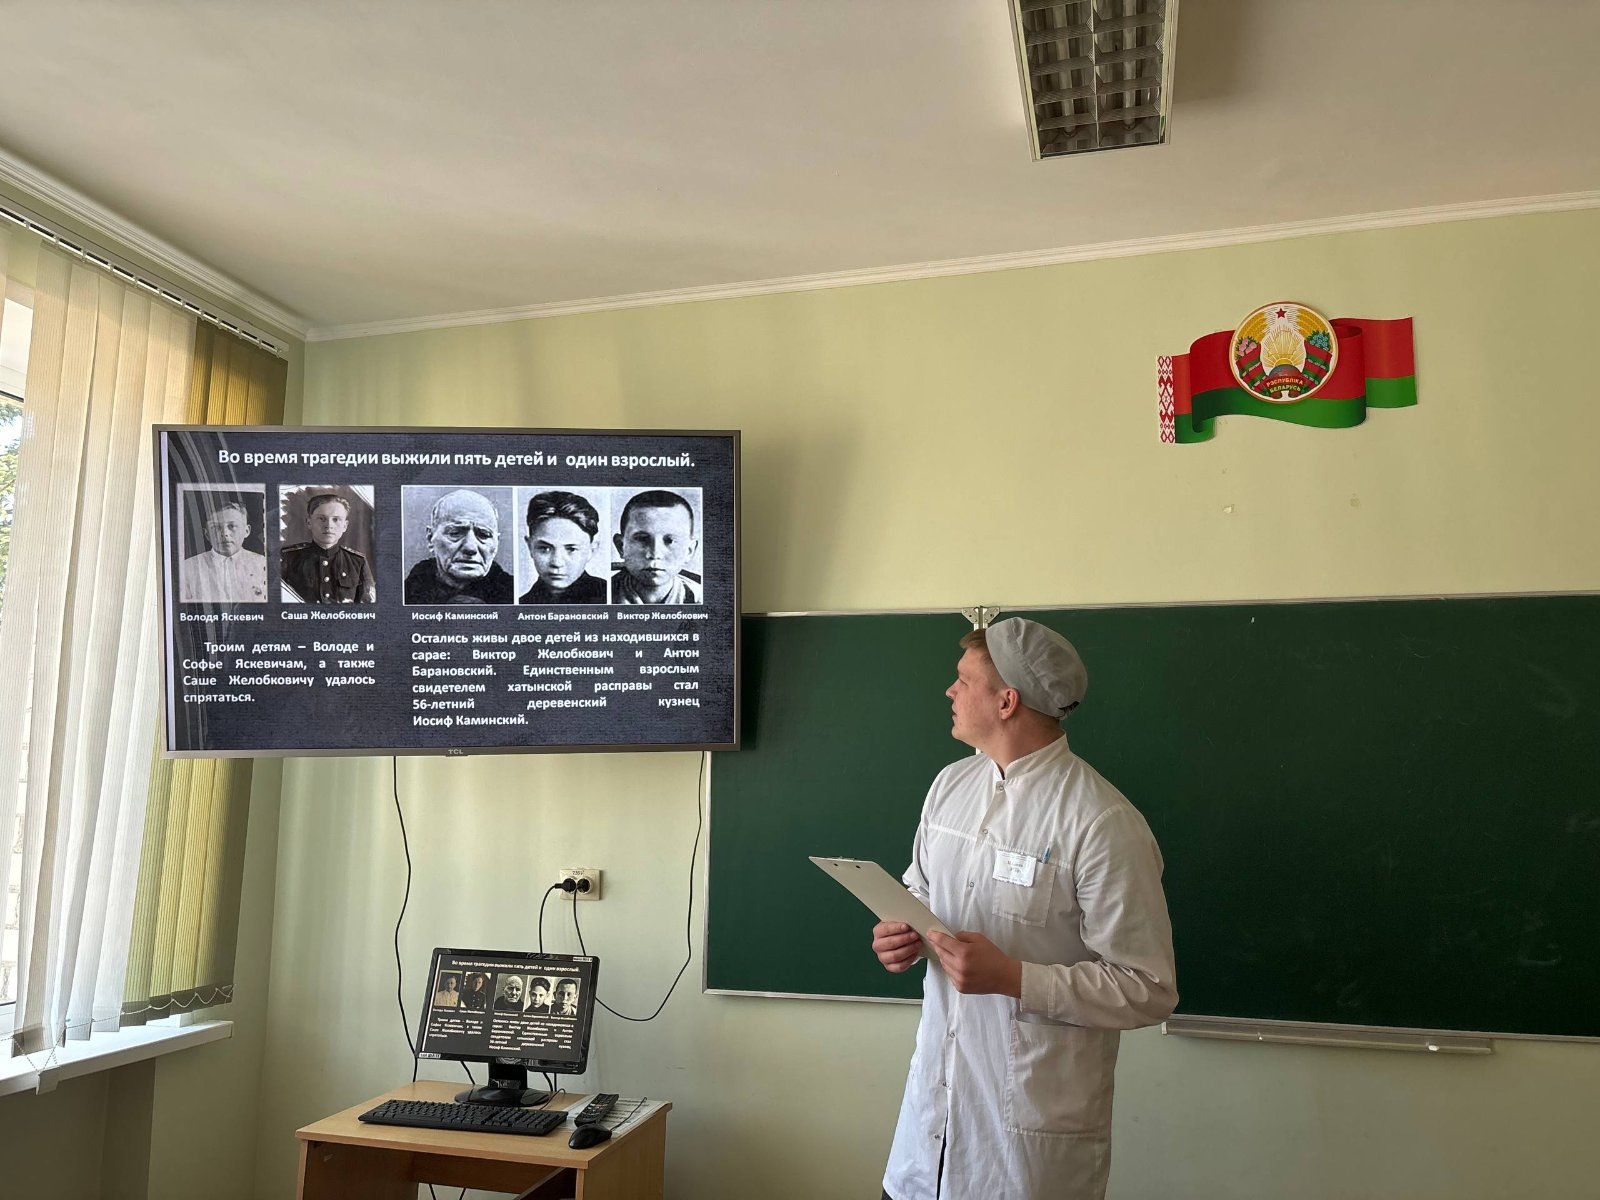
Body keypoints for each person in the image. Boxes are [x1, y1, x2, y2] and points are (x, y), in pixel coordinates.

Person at [873, 619, 1176, 1200]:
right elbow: (919, 892)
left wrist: (1015, 978)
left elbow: (1149, 987)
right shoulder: (949, 786)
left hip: (1023, 1154)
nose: (949, 691)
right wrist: (901, 932)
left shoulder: (1102, 823)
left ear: (1006, 702)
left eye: (964, 681)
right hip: (926, 1142)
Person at [403, 489, 515, 604]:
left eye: (484, 535)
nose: (470, 548)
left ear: (497, 543)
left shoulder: (514, 596)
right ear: (430, 538)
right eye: (455, 533)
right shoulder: (403, 597)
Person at [280, 492, 376, 603]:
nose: (329, 525)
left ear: (345, 526)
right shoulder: (288, 558)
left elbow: (368, 606)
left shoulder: (358, 562)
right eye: (321, 519)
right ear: (309, 522)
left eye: (336, 519)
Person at [610, 489, 702, 604]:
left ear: (689, 551)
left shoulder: (703, 599)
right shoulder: (603, 594)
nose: (655, 554)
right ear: (621, 546)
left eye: (670, 541)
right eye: (642, 539)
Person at [519, 491, 608, 604]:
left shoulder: (608, 596)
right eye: (545, 549)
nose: (557, 563)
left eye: (571, 549)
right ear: (530, 547)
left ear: (592, 550)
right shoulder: (522, 604)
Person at [179, 498, 268, 602]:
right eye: (216, 527)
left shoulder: (263, 565)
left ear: (246, 531)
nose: (225, 533)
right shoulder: (187, 568)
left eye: (232, 526)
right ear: (207, 534)